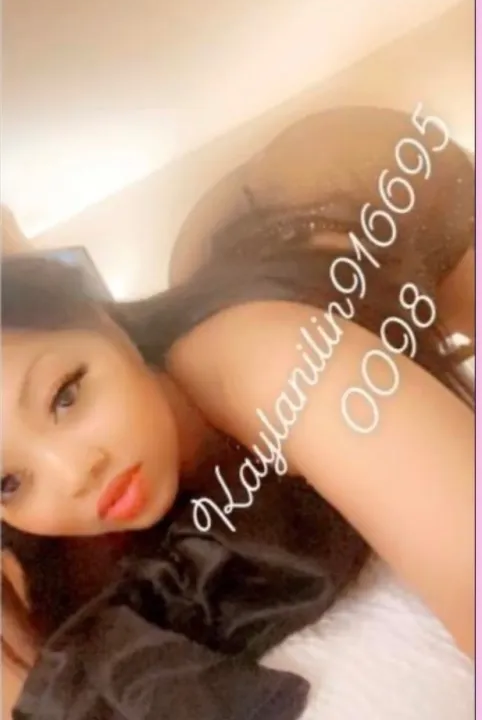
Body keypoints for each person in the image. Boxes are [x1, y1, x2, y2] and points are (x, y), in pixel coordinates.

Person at [1, 106, 474, 716]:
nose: (74, 474)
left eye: (65, 395)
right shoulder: (51, 534)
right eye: (8, 481)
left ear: (103, 318)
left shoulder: (267, 360)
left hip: (363, 188)